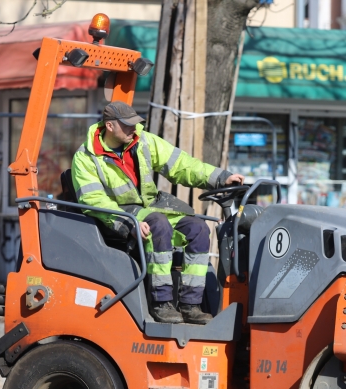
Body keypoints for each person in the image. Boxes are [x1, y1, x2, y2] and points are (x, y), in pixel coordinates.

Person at [70, 101, 244, 325]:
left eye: (135, 123)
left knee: (198, 228)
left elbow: (182, 165)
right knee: (159, 225)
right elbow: (94, 201)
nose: (134, 128)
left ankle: (191, 305)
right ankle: (161, 302)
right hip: (117, 215)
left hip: (150, 208)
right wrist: (128, 222)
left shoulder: (143, 141)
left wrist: (219, 177)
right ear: (110, 126)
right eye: (127, 125)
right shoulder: (85, 158)